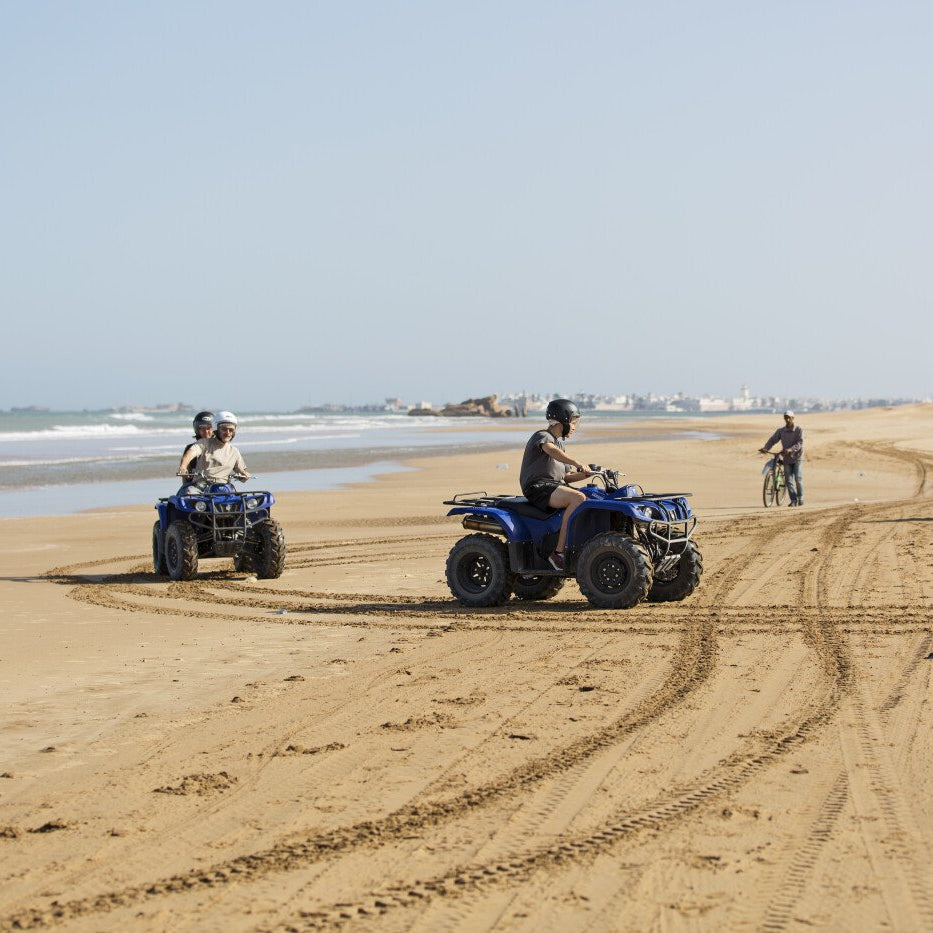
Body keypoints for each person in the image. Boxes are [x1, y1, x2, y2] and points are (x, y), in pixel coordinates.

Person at [519, 399, 593, 571]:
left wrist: (586, 474)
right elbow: (550, 450)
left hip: (554, 486)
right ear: (562, 421)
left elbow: (566, 477)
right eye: (573, 423)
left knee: (590, 496)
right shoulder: (543, 436)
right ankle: (558, 553)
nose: (574, 427)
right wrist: (576, 462)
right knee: (578, 498)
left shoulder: (559, 444)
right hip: (538, 487)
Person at [177, 410, 250, 492]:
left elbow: (242, 472)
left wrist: (244, 475)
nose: (228, 433)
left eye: (231, 430)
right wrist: (183, 466)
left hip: (224, 487)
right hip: (202, 486)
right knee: (189, 493)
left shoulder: (234, 451)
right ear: (216, 429)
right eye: (224, 429)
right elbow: (191, 453)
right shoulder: (203, 443)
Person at [759, 410, 804, 506]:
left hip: (797, 457)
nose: (787, 419)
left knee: (798, 478)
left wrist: (790, 449)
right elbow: (772, 440)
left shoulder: (798, 429)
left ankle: (800, 497)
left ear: (793, 418)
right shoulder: (781, 431)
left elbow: (800, 443)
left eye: (789, 418)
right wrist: (766, 448)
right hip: (786, 458)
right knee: (788, 481)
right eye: (785, 417)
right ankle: (793, 500)